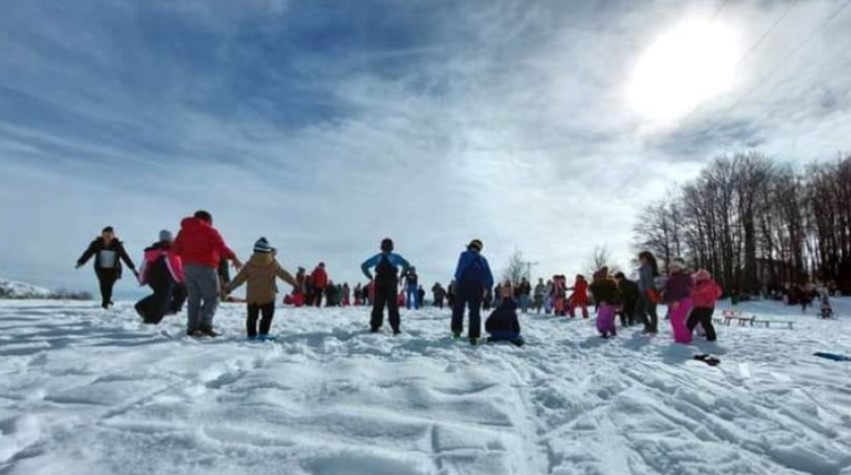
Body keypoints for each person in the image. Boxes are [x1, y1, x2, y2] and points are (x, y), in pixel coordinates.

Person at [173, 211, 242, 338]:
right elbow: (221, 247)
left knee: (194, 299)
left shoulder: (183, 232)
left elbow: (175, 250)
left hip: (188, 267)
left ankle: (192, 328)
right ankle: (205, 325)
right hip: (207, 267)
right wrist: (233, 257)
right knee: (213, 297)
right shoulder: (210, 231)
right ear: (208, 220)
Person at [225, 238, 297, 340]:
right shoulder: (273, 264)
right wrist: (295, 284)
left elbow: (239, 279)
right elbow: (285, 275)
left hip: (252, 298)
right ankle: (263, 334)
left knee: (252, 317)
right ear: (268, 251)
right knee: (267, 317)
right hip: (268, 297)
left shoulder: (249, 265)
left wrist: (229, 288)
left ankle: (251, 334)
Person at [76, 226, 138, 309]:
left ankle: (105, 302)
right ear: (102, 235)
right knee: (103, 284)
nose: (108, 238)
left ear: (113, 236)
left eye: (110, 236)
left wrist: (132, 268)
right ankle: (106, 301)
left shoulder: (117, 245)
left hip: (114, 269)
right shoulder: (96, 244)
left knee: (109, 284)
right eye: (106, 235)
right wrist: (81, 262)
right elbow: (88, 253)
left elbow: (125, 256)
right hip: (101, 268)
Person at [134, 230, 187, 324]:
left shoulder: (153, 250)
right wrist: (182, 279)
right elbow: (174, 267)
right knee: (166, 296)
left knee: (167, 294)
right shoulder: (169, 251)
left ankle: (143, 307)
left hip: (156, 279)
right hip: (165, 279)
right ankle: (151, 318)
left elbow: (144, 266)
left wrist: (141, 279)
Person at [361, 238, 411, 334]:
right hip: (391, 280)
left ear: (381, 247)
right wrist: (401, 275)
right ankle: (395, 328)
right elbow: (406, 264)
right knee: (392, 305)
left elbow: (364, 266)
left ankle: (375, 327)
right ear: (392, 247)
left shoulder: (377, 257)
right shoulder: (395, 257)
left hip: (379, 280)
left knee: (378, 304)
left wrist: (370, 277)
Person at [451, 239, 495, 345]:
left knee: (459, 308)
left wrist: (456, 283)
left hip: (464, 285)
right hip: (477, 287)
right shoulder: (483, 259)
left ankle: (457, 331)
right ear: (479, 249)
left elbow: (460, 270)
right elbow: (489, 277)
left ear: (470, 246)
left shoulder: (465, 255)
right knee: (475, 311)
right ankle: (474, 336)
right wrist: (488, 289)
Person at [665, 258, 694, 344]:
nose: (673, 268)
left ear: (680, 267)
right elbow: (669, 290)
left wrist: (676, 300)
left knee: (676, 319)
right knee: (675, 319)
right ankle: (681, 337)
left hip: (682, 300)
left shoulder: (681, 277)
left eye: (676, 267)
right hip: (677, 300)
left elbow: (681, 289)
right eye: (672, 267)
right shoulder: (673, 277)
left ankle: (684, 338)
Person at [688, 269, 722, 342]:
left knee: (705, 323)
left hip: (705, 307)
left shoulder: (707, 284)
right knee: (691, 322)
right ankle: (685, 336)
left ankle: (711, 338)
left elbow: (697, 291)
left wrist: (690, 289)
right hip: (699, 306)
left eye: (697, 277)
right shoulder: (708, 284)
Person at [589, 268, 620, 338]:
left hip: (604, 303)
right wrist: (617, 302)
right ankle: (612, 331)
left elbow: (598, 295)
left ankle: (604, 332)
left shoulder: (598, 285)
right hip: (612, 303)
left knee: (602, 319)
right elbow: (616, 293)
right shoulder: (611, 282)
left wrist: (601, 301)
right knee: (609, 318)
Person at [637, 251, 661, 334]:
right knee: (639, 310)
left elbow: (649, 280)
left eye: (642, 258)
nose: (640, 260)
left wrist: (647, 290)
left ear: (647, 258)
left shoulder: (649, 267)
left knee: (651, 310)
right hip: (643, 291)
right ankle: (648, 326)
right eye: (640, 258)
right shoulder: (643, 267)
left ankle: (653, 328)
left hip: (649, 291)